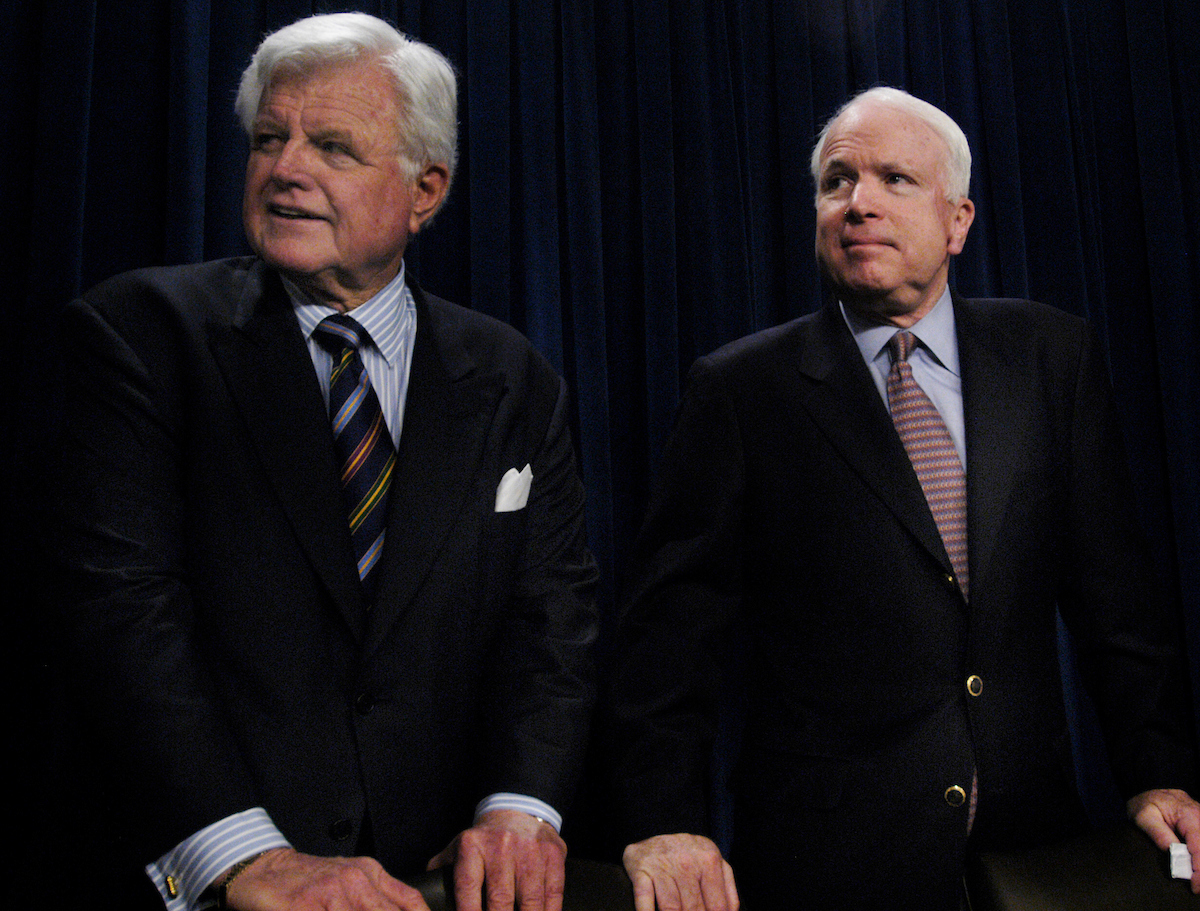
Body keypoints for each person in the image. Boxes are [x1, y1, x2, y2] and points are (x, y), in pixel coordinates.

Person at [49, 12, 598, 911]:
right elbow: (121, 612)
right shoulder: (142, 335)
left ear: (425, 192)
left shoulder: (513, 379)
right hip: (216, 883)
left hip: (426, 884)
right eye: (270, 138)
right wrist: (246, 854)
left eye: (333, 147)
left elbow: (553, 624)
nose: (286, 169)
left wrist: (518, 808)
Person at [606, 86, 1200, 910]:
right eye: (837, 181)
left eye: (894, 179)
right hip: (826, 867)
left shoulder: (1050, 358)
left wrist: (1156, 774)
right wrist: (667, 820)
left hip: (1037, 857)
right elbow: (670, 637)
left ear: (958, 221)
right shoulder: (742, 391)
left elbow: (1118, 604)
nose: (859, 204)